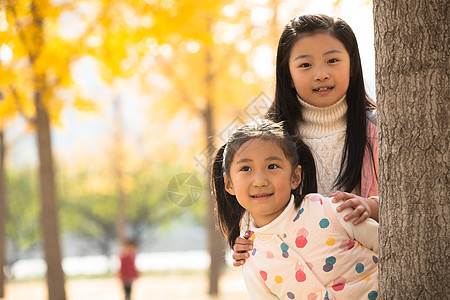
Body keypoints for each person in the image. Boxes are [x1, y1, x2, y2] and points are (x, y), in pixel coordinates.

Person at [232, 14, 379, 266]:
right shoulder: (268, 140)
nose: (321, 74)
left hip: (365, 275)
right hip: (296, 278)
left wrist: (372, 207)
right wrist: (247, 238)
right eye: (305, 65)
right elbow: (255, 203)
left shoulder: (377, 130)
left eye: (332, 60)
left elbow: (412, 202)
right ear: (287, 75)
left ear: (352, 65)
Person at [212, 119, 379, 299]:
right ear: (229, 184)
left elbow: (392, 247)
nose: (260, 181)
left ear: (295, 176)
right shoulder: (252, 260)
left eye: (272, 166)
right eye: (246, 168)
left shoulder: (330, 211)